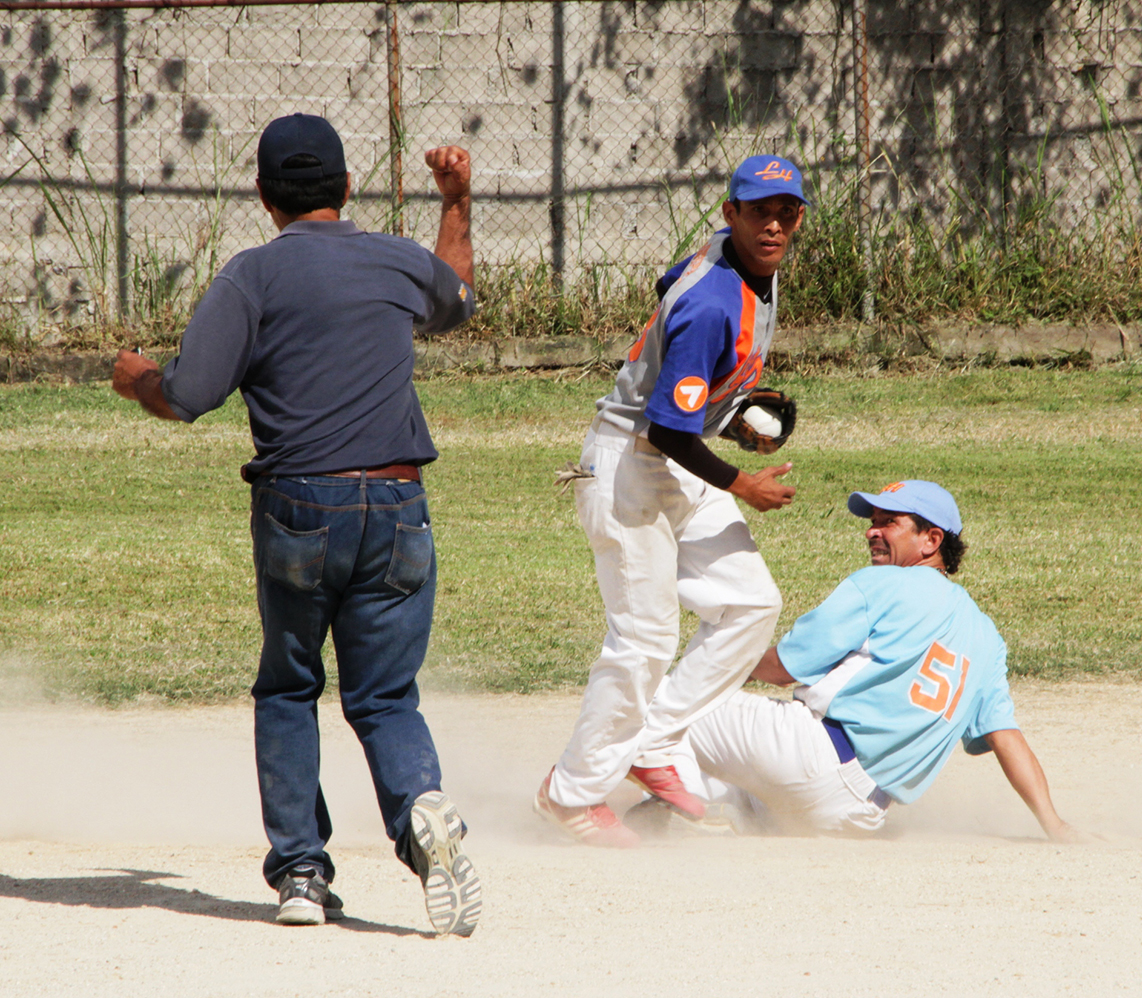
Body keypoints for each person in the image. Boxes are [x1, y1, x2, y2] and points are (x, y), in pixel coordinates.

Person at [112, 114, 483, 934]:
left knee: (289, 688)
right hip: (396, 502)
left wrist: (139, 379)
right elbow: (454, 301)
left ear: (262, 197)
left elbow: (189, 395)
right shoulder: (393, 257)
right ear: (349, 189)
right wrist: (454, 203)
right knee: (384, 697)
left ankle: (303, 875)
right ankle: (421, 810)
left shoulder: (252, 276)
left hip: (299, 508)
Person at [534, 156, 809, 847]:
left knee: (750, 603)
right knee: (644, 637)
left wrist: (730, 412)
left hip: (671, 458)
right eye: (757, 211)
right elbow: (664, 427)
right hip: (628, 462)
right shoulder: (714, 303)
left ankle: (652, 743)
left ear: (799, 217)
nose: (772, 224)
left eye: (785, 212)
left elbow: (668, 298)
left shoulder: (746, 268)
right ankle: (570, 795)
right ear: (731, 214)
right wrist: (742, 481)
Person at [638, 480, 1086, 844]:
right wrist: (1054, 824)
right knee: (734, 795)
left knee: (651, 702)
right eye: (872, 522)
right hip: (857, 815)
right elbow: (1006, 737)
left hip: (808, 757)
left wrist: (724, 651)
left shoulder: (884, 584)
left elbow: (782, 670)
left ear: (932, 540)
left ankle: (588, 785)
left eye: (889, 523)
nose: (872, 531)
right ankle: (696, 811)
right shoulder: (986, 637)